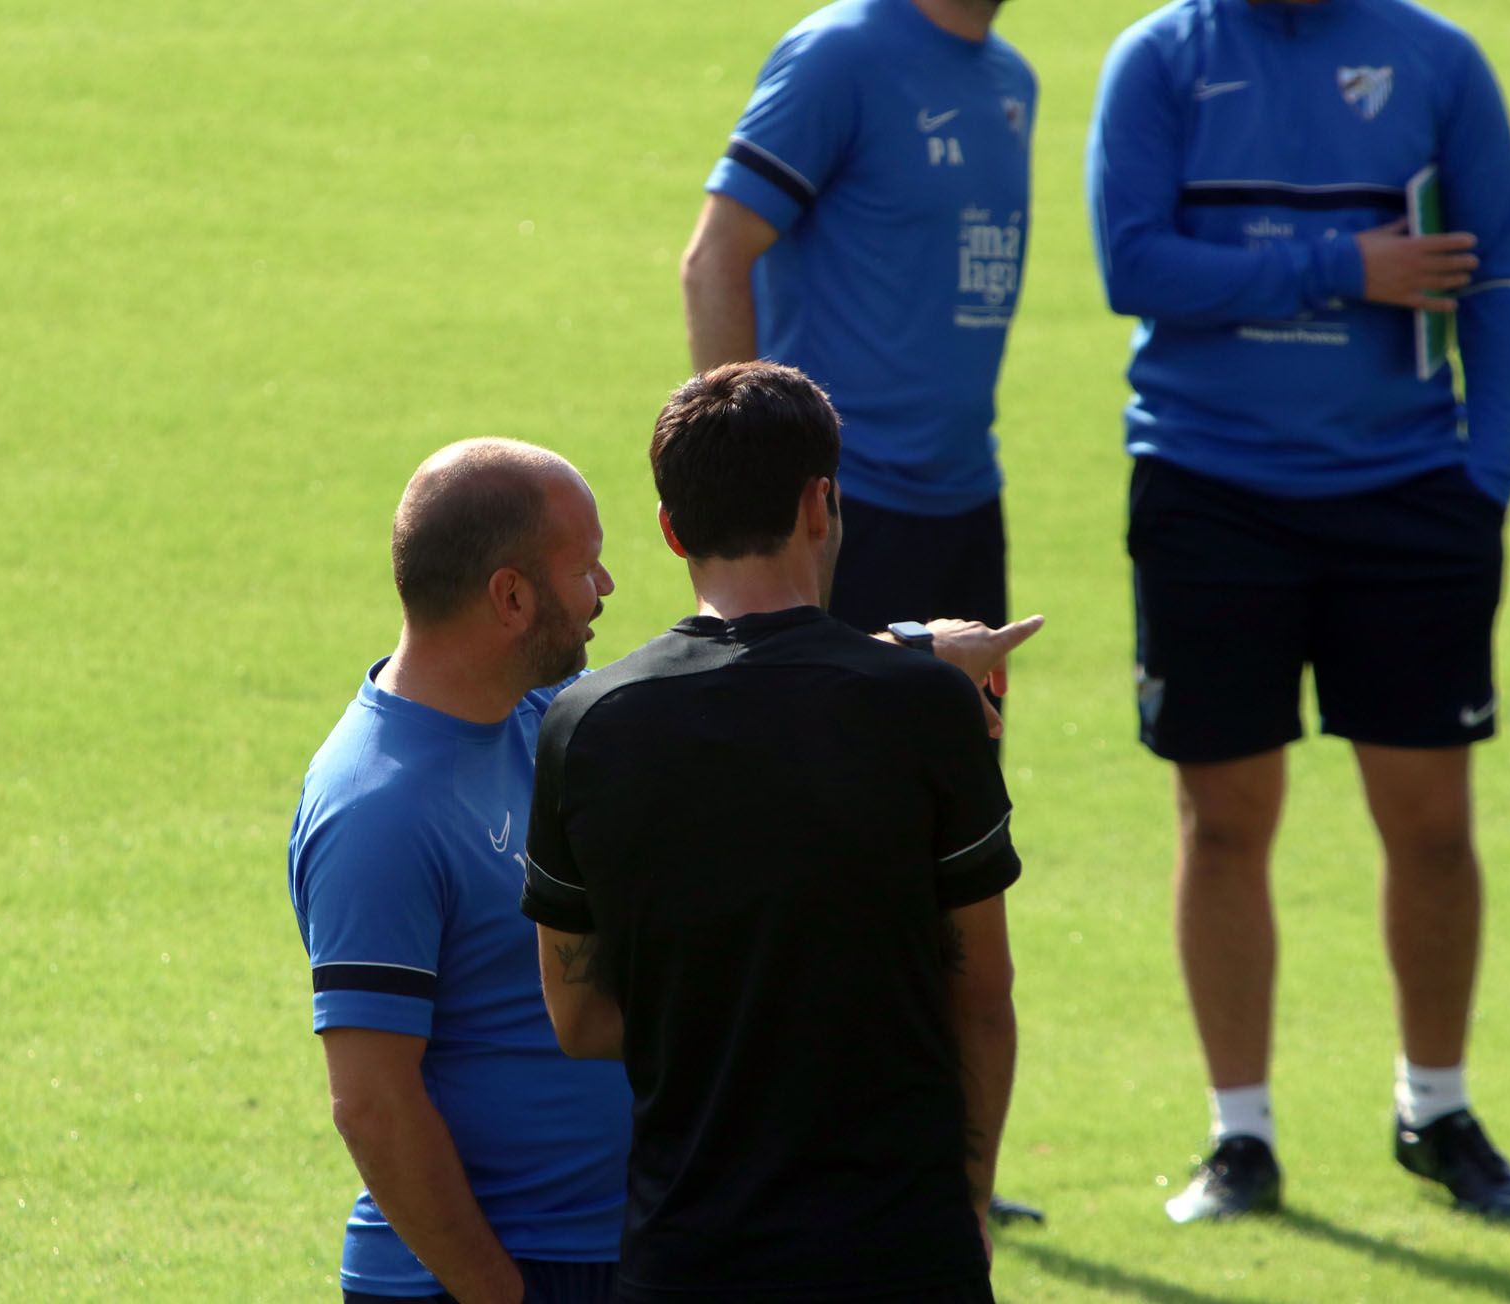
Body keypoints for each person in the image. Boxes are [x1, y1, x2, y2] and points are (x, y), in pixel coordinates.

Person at [1088, 0, 1510, 1221]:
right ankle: (1239, 1135)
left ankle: (1433, 1107)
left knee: (1432, 823)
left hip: (1405, 495)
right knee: (1223, 819)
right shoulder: (1158, 60)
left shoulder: (1436, 59)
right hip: (1205, 489)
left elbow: (1492, 276)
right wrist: (1341, 264)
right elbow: (1131, 264)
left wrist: (1481, 483)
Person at [520, 361, 1036, 1302]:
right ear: (820, 503)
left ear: (673, 529)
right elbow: (982, 999)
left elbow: (581, 1016)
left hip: (688, 1260)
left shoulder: (586, 725)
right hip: (902, 1254)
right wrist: (968, 1212)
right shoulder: (925, 709)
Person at [286, 439, 629, 1302]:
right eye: (585, 567)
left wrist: (906, 669)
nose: (606, 590)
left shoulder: (546, 716)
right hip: (483, 1277)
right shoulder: (377, 808)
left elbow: (727, 712)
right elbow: (372, 1101)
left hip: (613, 1253)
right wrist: (499, 1293)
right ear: (511, 596)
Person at [682, 0, 1036, 638]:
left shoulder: (1012, 77)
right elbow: (715, 259)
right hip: (836, 507)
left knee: (963, 736)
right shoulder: (839, 54)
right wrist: (750, 491)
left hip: (968, 497)